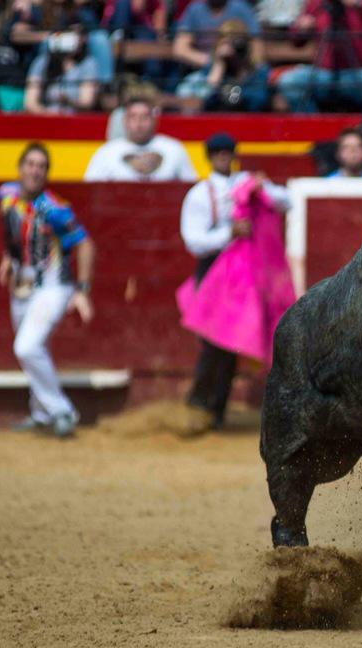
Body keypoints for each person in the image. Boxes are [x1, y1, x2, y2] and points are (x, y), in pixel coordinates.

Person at [176, 133, 294, 432]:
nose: (223, 156)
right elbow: (194, 242)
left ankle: (214, 411)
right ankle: (199, 406)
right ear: (209, 157)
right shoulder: (201, 194)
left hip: (245, 276)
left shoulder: (247, 182)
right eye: (217, 152)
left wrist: (261, 186)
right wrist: (229, 234)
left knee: (231, 344)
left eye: (227, 151)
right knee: (213, 343)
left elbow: (286, 200)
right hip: (213, 271)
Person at [0, 143, 95, 438]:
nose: (35, 170)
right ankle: (41, 412)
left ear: (47, 173)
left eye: (41, 166)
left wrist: (82, 291)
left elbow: (86, 244)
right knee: (36, 348)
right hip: (22, 286)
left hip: (53, 286)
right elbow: (14, 233)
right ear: (20, 168)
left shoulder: (56, 209)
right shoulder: (5, 196)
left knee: (26, 347)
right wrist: (7, 257)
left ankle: (61, 410)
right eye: (31, 164)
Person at [276, 0, 362, 116]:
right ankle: (315, 127)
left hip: (360, 73)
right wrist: (301, 28)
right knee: (289, 82)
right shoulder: (317, 3)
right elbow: (297, 42)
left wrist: (358, 4)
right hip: (323, 74)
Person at [84, 96, 197, 181]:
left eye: (145, 117)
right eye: (133, 117)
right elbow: (91, 190)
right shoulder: (106, 152)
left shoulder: (173, 148)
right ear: (124, 121)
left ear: (154, 120)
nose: (139, 123)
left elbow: (190, 186)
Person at [176, 19, 270, 112]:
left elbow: (259, 102)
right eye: (226, 43)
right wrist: (219, 66)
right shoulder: (207, 72)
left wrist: (242, 67)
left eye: (237, 43)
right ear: (218, 46)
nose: (232, 49)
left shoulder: (259, 71)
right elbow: (199, 102)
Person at [23, 26, 100, 112]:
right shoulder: (42, 62)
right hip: (45, 118)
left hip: (74, 119)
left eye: (79, 35)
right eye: (70, 35)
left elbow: (86, 102)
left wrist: (67, 100)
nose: (76, 39)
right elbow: (30, 103)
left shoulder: (88, 63)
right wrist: (48, 115)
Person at [172, 0, 262, 70]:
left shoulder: (241, 8)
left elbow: (256, 46)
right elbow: (180, 48)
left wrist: (245, 66)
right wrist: (212, 61)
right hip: (203, 70)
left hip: (240, 68)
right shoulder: (194, 9)